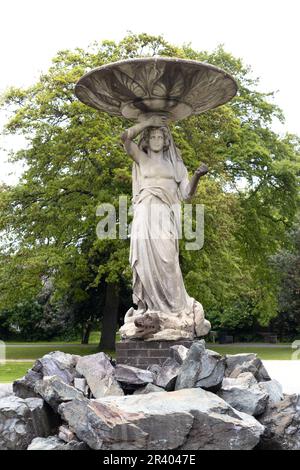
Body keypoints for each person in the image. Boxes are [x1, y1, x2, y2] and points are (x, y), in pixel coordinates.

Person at [119, 115, 211, 340]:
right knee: (146, 262)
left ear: (167, 140)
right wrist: (147, 122)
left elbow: (187, 194)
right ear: (148, 140)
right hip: (144, 215)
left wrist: (197, 175)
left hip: (165, 216)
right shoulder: (142, 158)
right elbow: (124, 138)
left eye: (161, 135)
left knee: (168, 260)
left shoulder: (176, 165)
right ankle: (150, 310)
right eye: (153, 136)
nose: (157, 139)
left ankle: (175, 310)